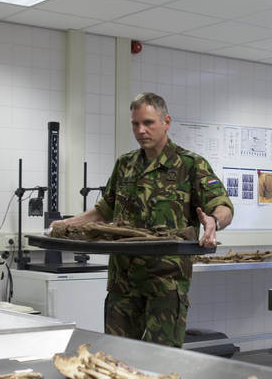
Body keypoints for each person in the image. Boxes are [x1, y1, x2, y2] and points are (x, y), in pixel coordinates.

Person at [51, 92, 234, 348]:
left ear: (166, 121)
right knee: (117, 358)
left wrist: (213, 220)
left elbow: (223, 205)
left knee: (162, 360)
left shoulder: (190, 165)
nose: (141, 130)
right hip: (123, 285)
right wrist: (69, 223)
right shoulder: (125, 164)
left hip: (165, 285)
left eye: (148, 123)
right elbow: (105, 209)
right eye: (135, 124)